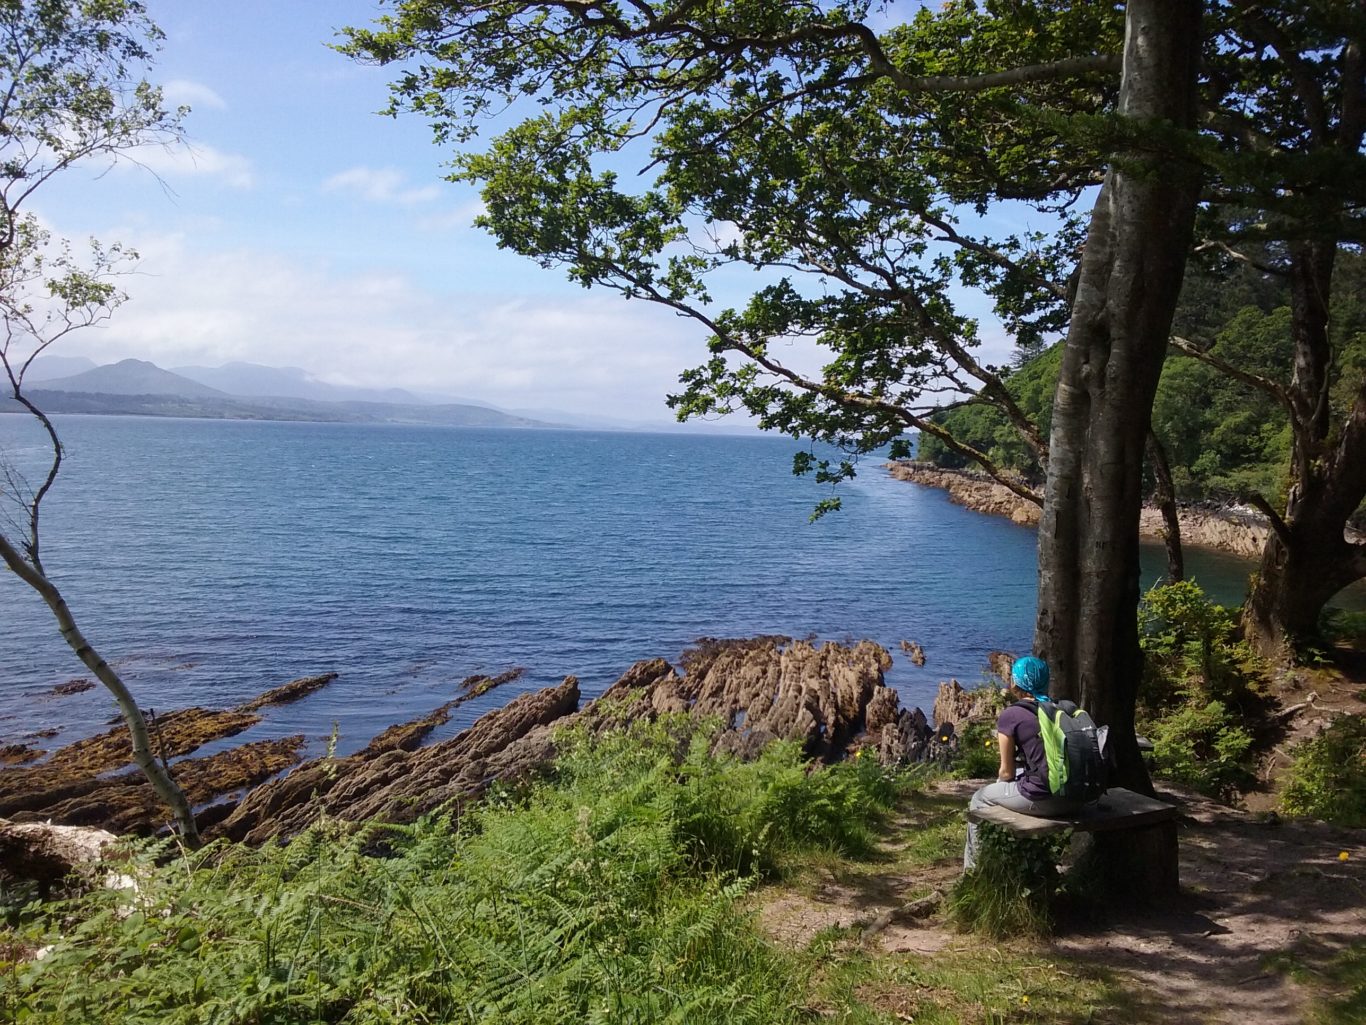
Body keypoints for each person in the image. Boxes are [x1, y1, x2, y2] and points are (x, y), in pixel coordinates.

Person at [962, 655, 1083, 871]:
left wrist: (1001, 787)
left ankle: (974, 871)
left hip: (1048, 800)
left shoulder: (1012, 715)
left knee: (979, 799)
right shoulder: (1059, 709)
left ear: (1016, 683)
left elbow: (1006, 773)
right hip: (1080, 797)